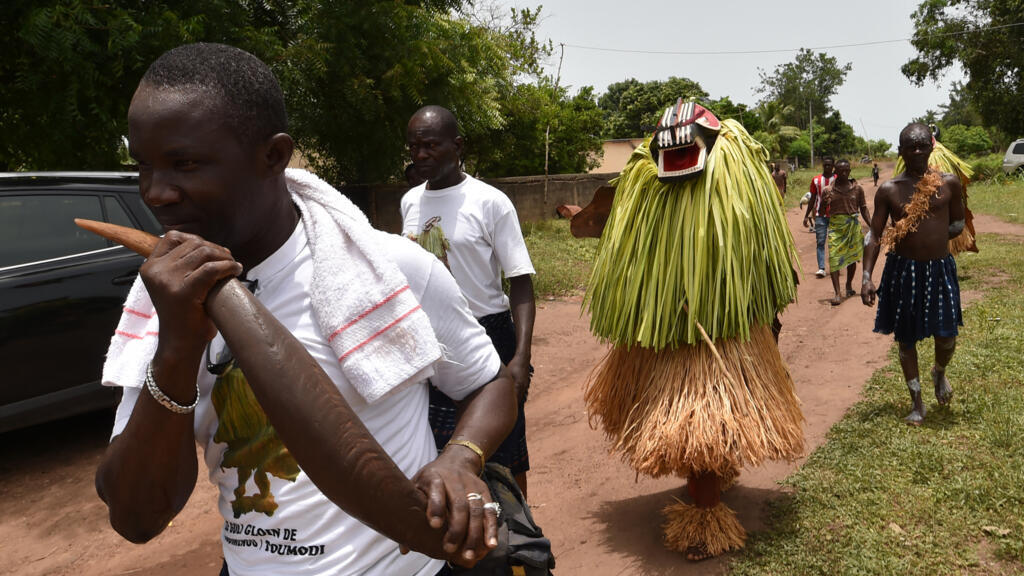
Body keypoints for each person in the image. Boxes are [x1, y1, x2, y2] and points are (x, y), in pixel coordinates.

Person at [95, 43, 518, 575]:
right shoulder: (167, 303)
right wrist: (177, 348)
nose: (155, 193)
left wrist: (462, 456)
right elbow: (137, 518)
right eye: (143, 168)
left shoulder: (389, 268)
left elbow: (489, 382)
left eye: (184, 164)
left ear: (273, 156)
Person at [574, 101, 802, 561]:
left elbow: (764, 252)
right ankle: (707, 499)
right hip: (670, 330)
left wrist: (763, 308)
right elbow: (617, 241)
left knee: (705, 426)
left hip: (725, 331)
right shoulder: (643, 186)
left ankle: (706, 516)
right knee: (695, 431)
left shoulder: (738, 179)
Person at [401, 106, 537, 498]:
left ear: (457, 145)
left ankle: (519, 541)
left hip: (488, 334)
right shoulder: (410, 203)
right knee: (438, 448)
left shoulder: (490, 201)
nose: (421, 155)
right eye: (414, 147)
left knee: (504, 447)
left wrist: (520, 358)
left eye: (430, 145)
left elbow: (521, 282)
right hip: (429, 339)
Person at [862, 122, 965, 426]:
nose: (917, 151)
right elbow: (874, 235)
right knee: (906, 340)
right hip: (903, 270)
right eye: (911, 146)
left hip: (939, 269)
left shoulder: (949, 184)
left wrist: (932, 239)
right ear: (901, 151)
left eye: (922, 145)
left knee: (946, 337)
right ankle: (917, 402)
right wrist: (867, 276)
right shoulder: (889, 190)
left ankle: (939, 372)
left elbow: (958, 222)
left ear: (932, 147)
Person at [822, 159, 871, 306]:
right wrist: (825, 203)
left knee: (852, 258)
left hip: (853, 228)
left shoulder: (857, 189)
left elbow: (863, 209)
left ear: (850, 171)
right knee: (834, 259)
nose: (844, 173)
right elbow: (821, 211)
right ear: (835, 172)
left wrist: (872, 226)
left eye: (847, 170)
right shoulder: (828, 190)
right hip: (836, 228)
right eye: (841, 170)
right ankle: (837, 293)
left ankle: (849, 284)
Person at [803, 156, 836, 278]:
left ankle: (834, 266)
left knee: (834, 242)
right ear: (823, 165)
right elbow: (812, 198)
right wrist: (806, 216)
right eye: (825, 165)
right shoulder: (816, 180)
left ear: (833, 166)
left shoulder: (837, 179)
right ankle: (821, 268)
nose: (827, 167)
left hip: (835, 216)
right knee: (820, 242)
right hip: (820, 215)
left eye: (830, 165)